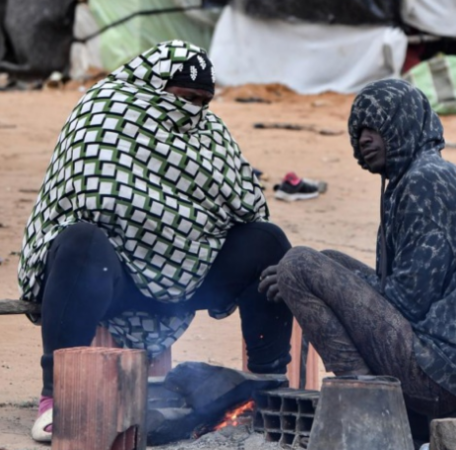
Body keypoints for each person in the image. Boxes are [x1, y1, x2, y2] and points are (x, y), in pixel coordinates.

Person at [260, 80, 456, 448]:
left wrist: (304, 281)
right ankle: (379, 404)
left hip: (450, 375)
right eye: (359, 132)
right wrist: (326, 277)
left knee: (298, 264)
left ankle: (371, 412)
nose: (365, 140)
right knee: (324, 262)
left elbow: (406, 302)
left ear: (403, 124)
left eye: (376, 128)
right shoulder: (419, 177)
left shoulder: (425, 182)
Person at [18, 40, 293, 442]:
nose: (193, 110)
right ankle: (55, 396)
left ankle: (269, 382)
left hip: (189, 274)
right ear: (154, 86)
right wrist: (180, 214)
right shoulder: (104, 112)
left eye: (203, 101)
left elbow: (249, 206)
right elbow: (96, 198)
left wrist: (179, 225)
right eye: (185, 97)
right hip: (111, 278)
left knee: (268, 242)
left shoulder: (209, 131)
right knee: (80, 241)